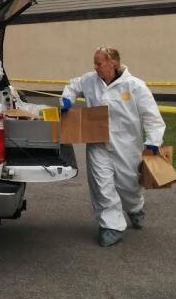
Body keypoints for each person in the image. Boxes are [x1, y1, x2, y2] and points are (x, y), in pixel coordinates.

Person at [61, 46, 165, 247]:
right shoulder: (90, 80)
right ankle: (111, 226)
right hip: (98, 144)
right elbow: (73, 85)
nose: (96, 67)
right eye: (95, 63)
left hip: (127, 146)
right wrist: (67, 98)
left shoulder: (135, 86)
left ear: (113, 63)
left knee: (129, 185)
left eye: (99, 63)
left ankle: (135, 208)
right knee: (102, 186)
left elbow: (152, 117)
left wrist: (153, 141)